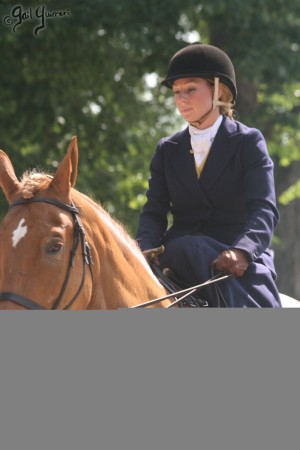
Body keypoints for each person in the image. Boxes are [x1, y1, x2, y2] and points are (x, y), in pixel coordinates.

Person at [135, 42, 282, 307]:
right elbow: (154, 211)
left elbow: (264, 209)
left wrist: (242, 250)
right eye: (176, 91)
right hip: (177, 257)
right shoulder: (167, 149)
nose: (181, 98)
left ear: (219, 90)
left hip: (232, 259)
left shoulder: (248, 142)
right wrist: (144, 248)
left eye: (191, 89)